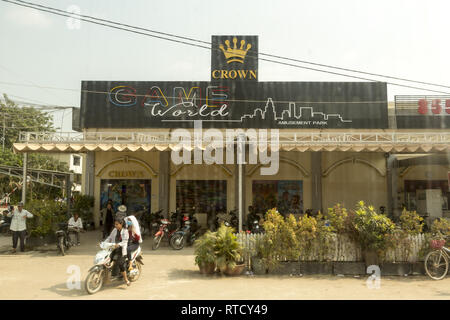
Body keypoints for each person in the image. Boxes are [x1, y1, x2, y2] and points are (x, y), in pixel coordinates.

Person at [105, 217, 130, 286]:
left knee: (120, 264)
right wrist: (103, 243)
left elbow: (125, 241)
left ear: (121, 224)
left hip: (122, 250)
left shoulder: (125, 231)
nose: (115, 226)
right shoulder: (115, 230)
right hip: (113, 248)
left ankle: (126, 280)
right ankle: (108, 277)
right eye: (115, 224)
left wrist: (118, 244)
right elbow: (109, 237)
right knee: (107, 260)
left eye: (117, 224)